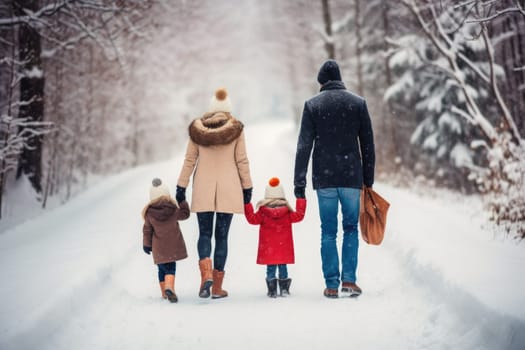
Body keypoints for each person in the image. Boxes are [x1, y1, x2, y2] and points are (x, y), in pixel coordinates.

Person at [293, 59, 375, 298]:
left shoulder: (312, 105)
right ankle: (349, 280)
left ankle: (331, 284)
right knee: (350, 228)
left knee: (328, 231)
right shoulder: (358, 104)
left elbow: (303, 147)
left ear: (321, 82)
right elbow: (368, 145)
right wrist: (368, 180)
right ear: (340, 79)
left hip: (325, 179)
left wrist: (300, 183)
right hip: (351, 178)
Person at [176, 88, 253, 299]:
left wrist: (181, 187)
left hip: (203, 187)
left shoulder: (197, 129)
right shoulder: (236, 128)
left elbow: (190, 160)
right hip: (229, 188)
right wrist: (247, 187)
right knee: (222, 237)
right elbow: (242, 161)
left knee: (204, 234)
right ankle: (217, 288)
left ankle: (205, 276)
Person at [244, 177, 306, 298]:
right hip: (283, 247)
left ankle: (272, 290)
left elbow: (252, 219)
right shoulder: (287, 212)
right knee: (283, 267)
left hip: (268, 248)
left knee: (270, 267)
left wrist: (247, 203)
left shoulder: (263, 212)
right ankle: (284, 289)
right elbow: (299, 216)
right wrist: (301, 199)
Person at [142, 178, 190, 303]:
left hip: (158, 248)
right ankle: (169, 287)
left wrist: (146, 245)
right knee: (170, 268)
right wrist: (182, 201)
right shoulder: (173, 210)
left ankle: (164, 292)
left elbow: (147, 230)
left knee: (161, 269)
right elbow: (185, 214)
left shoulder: (149, 213)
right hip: (172, 247)